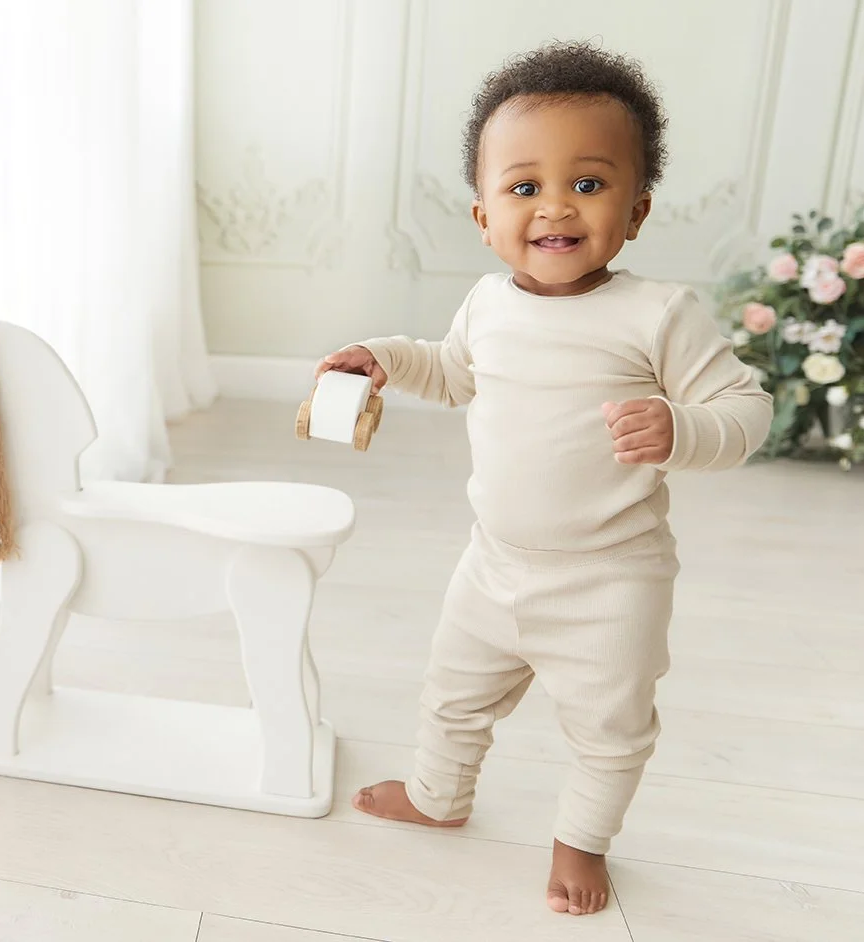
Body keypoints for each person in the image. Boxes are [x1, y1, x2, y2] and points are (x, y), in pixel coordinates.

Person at [317, 40, 772, 916]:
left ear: (636, 211)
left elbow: (744, 409)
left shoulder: (657, 313)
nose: (555, 205)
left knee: (609, 730)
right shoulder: (486, 303)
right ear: (483, 216)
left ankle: (580, 841)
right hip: (492, 562)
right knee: (449, 695)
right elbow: (451, 371)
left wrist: (683, 427)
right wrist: (381, 357)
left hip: (610, 577)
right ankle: (438, 797)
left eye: (589, 184)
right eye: (523, 187)